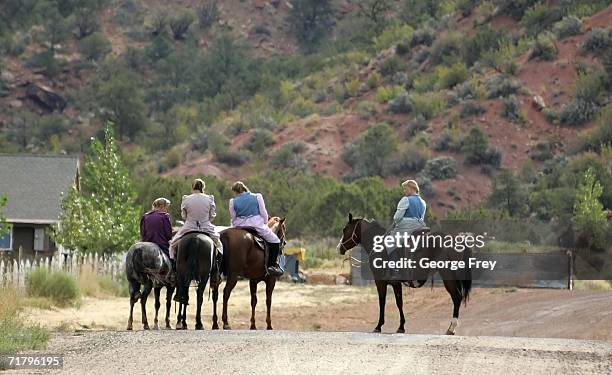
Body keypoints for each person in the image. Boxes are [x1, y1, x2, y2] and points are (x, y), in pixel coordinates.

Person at [229, 181, 283, 277]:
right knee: (276, 241)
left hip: (240, 226)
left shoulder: (232, 201)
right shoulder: (257, 196)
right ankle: (272, 266)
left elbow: (233, 218)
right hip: (256, 225)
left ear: (236, 191)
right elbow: (263, 212)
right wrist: (265, 221)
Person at [169, 178, 222, 264]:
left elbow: (184, 216)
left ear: (192, 187)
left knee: (172, 245)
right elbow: (212, 216)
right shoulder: (209, 199)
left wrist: (189, 219)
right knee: (219, 246)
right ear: (203, 187)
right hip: (206, 227)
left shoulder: (186, 199)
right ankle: (217, 267)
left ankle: (174, 265)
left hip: (189, 226)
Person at [387, 179, 427, 278]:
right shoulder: (423, 202)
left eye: (405, 188)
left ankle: (395, 270)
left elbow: (397, 217)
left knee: (389, 244)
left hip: (407, 227)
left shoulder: (405, 199)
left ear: (412, 188)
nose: (404, 191)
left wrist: (396, 222)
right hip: (420, 226)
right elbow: (422, 217)